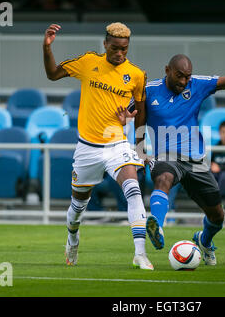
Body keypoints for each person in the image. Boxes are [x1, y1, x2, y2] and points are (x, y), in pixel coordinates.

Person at [118, 40, 225, 266]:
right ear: (167, 70)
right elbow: (138, 120)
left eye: (187, 76)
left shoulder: (197, 84)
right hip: (166, 156)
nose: (184, 81)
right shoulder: (149, 90)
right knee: (163, 178)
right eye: (180, 76)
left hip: (195, 160)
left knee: (217, 216)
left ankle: (204, 241)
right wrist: (140, 151)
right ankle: (157, 223)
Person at [43, 22, 154, 270]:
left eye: (124, 49)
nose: (119, 54)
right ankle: (72, 238)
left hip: (117, 145)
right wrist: (47, 48)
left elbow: (142, 113)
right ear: (105, 44)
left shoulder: (136, 75)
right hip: (87, 149)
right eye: (115, 48)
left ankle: (140, 253)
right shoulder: (88, 62)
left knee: (133, 190)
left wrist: (139, 147)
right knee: (77, 207)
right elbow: (52, 74)